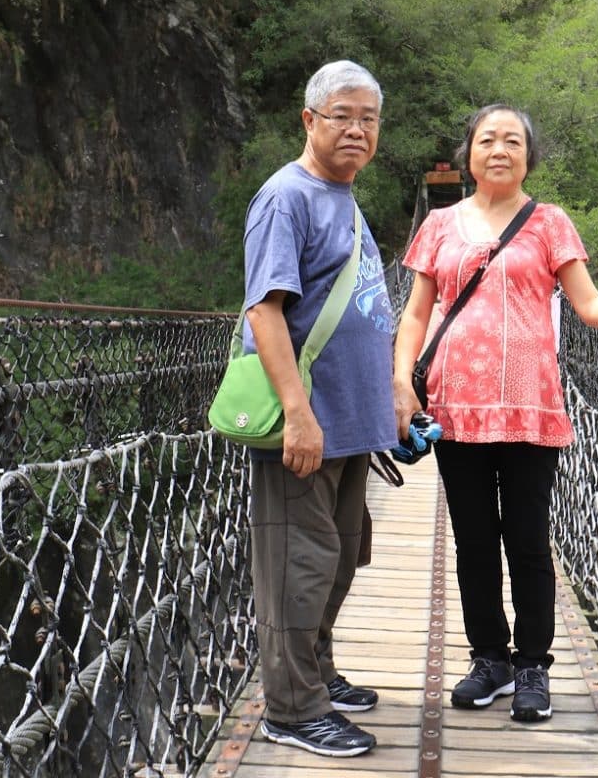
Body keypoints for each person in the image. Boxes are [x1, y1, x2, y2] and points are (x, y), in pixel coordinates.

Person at [392, 104, 598, 722]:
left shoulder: (550, 222)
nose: (499, 150)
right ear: (469, 152)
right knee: (474, 541)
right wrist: (400, 380)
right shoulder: (439, 225)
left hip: (530, 406)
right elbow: (416, 313)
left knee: (527, 540)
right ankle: (489, 660)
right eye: (487, 140)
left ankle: (532, 665)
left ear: (529, 156)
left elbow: (590, 307)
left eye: (513, 141)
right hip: (457, 407)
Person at [241, 60, 398, 757]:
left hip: (350, 423)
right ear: (309, 120)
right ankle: (293, 709)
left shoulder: (343, 199)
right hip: (308, 424)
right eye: (342, 116)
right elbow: (264, 311)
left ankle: (316, 674)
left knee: (337, 556)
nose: (357, 130)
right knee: (298, 567)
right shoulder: (287, 197)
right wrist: (298, 414)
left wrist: (389, 400)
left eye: (369, 119)